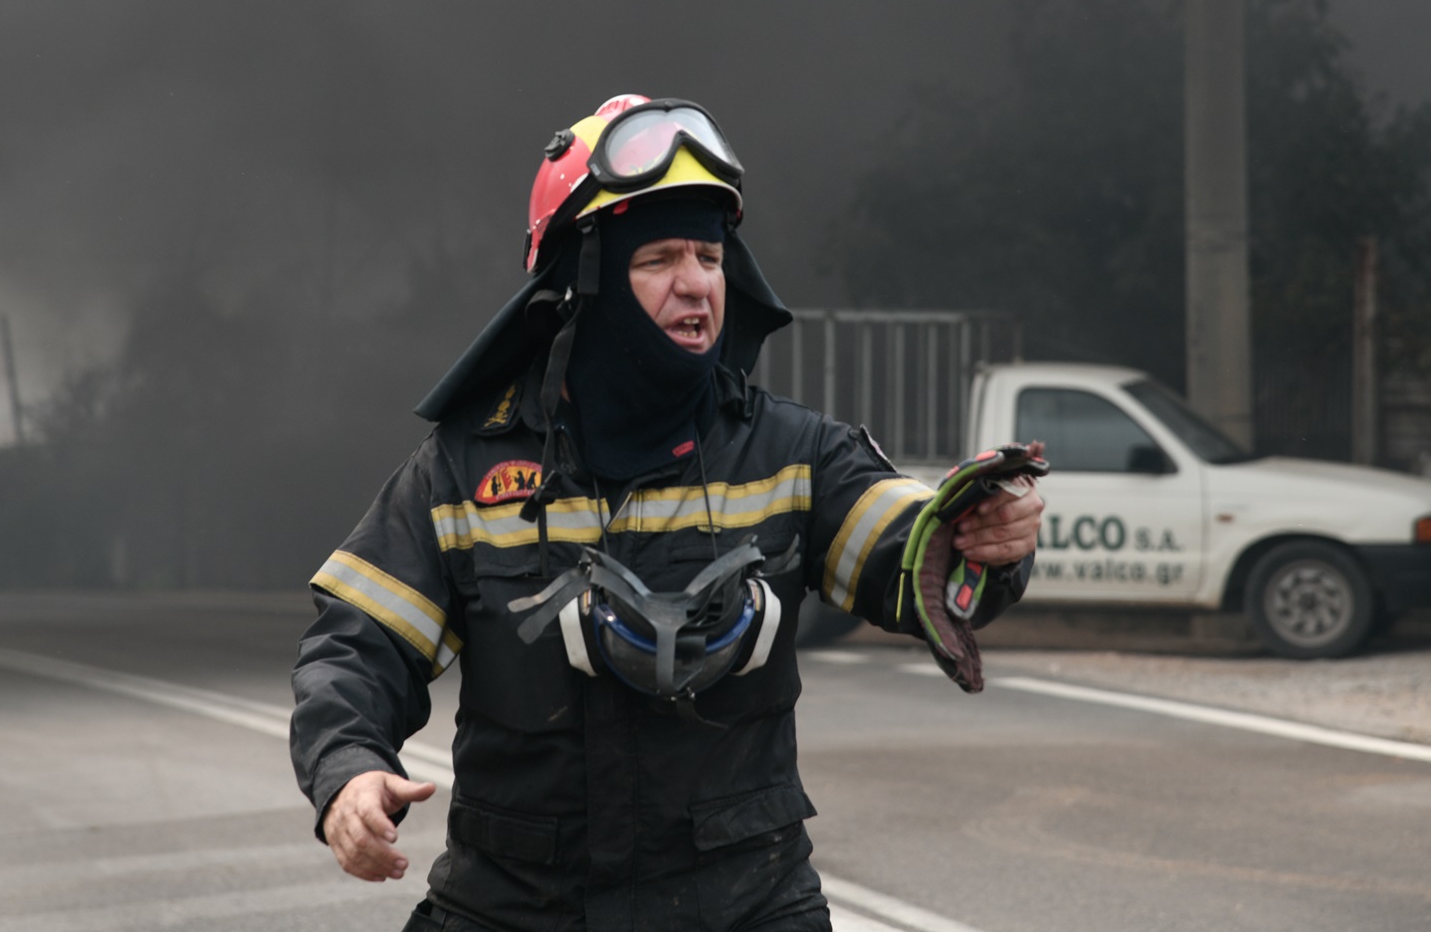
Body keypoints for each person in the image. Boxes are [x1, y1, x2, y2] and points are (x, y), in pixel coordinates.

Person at [290, 95, 1043, 932]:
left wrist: (983, 538)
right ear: (586, 283)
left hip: (743, 906)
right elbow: (356, 648)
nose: (696, 282)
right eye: (659, 258)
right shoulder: (465, 471)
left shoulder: (792, 453)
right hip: (516, 907)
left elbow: (911, 547)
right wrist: (348, 771)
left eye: (709, 255)